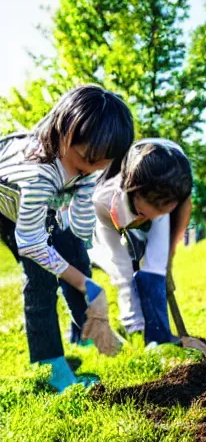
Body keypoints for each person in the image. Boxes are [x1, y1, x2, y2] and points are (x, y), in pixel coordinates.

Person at [0, 85, 134, 392]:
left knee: (72, 253)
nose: (90, 171)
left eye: (100, 164)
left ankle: (89, 329)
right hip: (8, 203)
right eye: (84, 161)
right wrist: (83, 283)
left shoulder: (88, 163)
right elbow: (32, 245)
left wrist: (83, 270)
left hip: (44, 205)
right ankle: (51, 369)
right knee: (42, 282)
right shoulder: (37, 176)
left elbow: (80, 220)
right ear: (62, 132)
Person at [89, 138, 192, 348]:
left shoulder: (172, 190)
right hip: (112, 211)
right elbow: (120, 266)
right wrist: (135, 324)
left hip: (164, 177)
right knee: (124, 268)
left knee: (155, 265)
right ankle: (135, 328)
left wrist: (169, 254)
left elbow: (156, 263)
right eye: (147, 212)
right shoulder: (102, 200)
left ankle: (159, 335)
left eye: (165, 209)